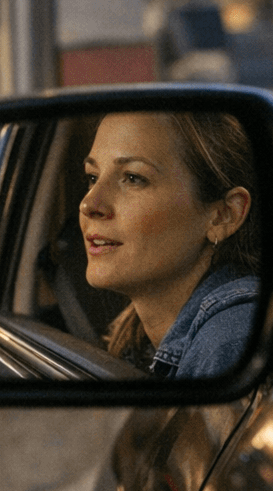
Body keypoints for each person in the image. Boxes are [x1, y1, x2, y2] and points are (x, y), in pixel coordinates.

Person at [78, 110, 260, 377]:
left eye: (132, 178)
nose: (89, 204)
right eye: (93, 177)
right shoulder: (140, 340)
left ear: (223, 215)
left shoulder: (229, 338)